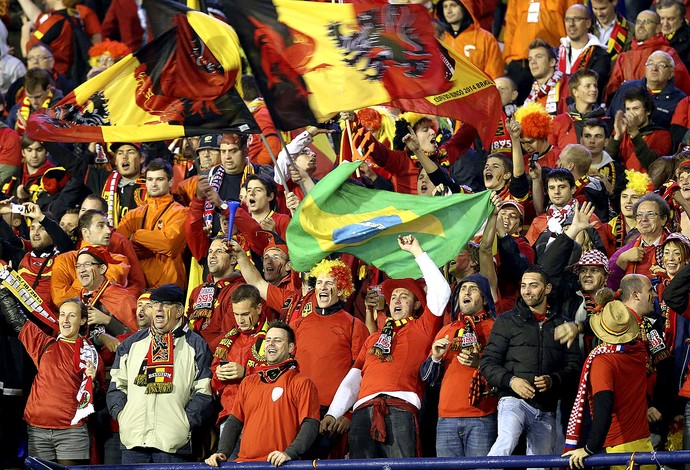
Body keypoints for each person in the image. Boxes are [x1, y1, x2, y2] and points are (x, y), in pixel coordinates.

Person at [322, 235, 451, 459]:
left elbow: (442, 292)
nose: (397, 301)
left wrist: (417, 252)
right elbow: (354, 378)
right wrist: (334, 413)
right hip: (362, 412)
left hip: (400, 408)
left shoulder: (423, 327)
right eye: (393, 297)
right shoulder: (373, 339)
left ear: (417, 304)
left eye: (404, 296)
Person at [480, 265, 581, 464]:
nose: (527, 291)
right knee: (505, 443)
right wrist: (511, 381)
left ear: (548, 289)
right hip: (512, 400)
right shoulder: (506, 321)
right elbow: (488, 362)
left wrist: (553, 380)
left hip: (547, 407)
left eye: (533, 286)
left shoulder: (563, 324)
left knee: (541, 464)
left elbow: (574, 367)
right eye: (524, 286)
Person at [107, 284, 214, 463]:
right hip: (133, 442)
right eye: (155, 304)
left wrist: (184, 422)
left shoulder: (196, 345)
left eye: (165, 304)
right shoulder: (130, 344)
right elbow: (117, 385)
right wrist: (122, 416)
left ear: (179, 311)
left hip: (172, 445)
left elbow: (204, 393)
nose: (158, 309)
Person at [0, 295, 104, 465]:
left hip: (72, 433)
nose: (66, 320)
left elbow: (99, 403)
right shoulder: (44, 344)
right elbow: (17, 320)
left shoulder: (91, 355)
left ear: (83, 320)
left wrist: (95, 386)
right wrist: (3, 289)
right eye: (62, 314)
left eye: (72, 315)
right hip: (37, 430)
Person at [205, 321, 320, 466]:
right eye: (268, 340)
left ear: (291, 348)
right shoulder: (248, 382)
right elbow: (234, 422)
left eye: (278, 341)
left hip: (279, 465)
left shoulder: (302, 383)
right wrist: (222, 452)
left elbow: (310, 424)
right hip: (244, 464)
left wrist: (290, 453)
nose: (271, 344)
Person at [562, 300, 653, 470]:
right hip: (644, 445)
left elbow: (604, 405)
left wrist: (590, 448)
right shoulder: (639, 353)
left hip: (618, 450)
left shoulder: (602, 362)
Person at [419, 273, 497, 458]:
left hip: (482, 416)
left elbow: (505, 369)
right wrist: (436, 358)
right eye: (463, 288)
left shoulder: (496, 328)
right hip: (446, 418)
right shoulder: (446, 330)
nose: (466, 292)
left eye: (473, 289)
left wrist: (481, 363)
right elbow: (427, 377)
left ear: (485, 299)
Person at [211, 285, 270, 449]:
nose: (240, 320)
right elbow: (215, 383)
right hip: (229, 414)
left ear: (258, 308)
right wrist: (218, 375)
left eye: (245, 314)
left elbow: (278, 375)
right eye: (236, 314)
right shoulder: (229, 340)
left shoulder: (273, 336)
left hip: (258, 416)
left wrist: (245, 372)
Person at [116, 158, 189, 288]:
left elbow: (169, 244)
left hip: (168, 286)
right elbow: (119, 247)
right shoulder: (133, 215)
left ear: (170, 181)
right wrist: (154, 243)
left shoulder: (181, 212)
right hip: (136, 285)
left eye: (159, 179)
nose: (153, 184)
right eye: (150, 179)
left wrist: (136, 236)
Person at [605, 10, 690, 100]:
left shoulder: (667, 53)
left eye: (646, 22)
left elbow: (680, 84)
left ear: (658, 28)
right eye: (638, 22)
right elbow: (613, 91)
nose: (640, 26)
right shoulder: (624, 57)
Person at [186, 237, 245, 349]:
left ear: (233, 260)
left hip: (216, 358)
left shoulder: (240, 291)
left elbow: (230, 333)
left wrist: (201, 353)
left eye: (219, 251)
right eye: (210, 251)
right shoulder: (198, 290)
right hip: (193, 352)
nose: (212, 255)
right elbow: (190, 321)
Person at [607, 50, 686, 130]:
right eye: (651, 63)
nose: (654, 68)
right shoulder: (626, 87)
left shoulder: (679, 100)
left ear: (671, 73)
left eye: (661, 65)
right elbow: (609, 118)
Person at [606, 88, 672, 173]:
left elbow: (654, 165)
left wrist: (634, 133)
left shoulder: (662, 135)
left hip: (647, 184)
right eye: (628, 109)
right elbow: (607, 163)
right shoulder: (621, 131)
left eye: (636, 108)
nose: (631, 114)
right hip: (620, 182)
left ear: (648, 111)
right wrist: (617, 137)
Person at [434, 0, 503, 80]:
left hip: (476, 90)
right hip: (446, 91)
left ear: (465, 7)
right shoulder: (437, 38)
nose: (448, 11)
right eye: (445, 7)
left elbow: (494, 74)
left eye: (453, 5)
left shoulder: (486, 38)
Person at [557, 5, 611, 100]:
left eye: (576, 19)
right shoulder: (556, 53)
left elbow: (595, 86)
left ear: (588, 23)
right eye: (568, 19)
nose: (571, 24)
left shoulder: (601, 56)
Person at [549, 70, 607, 150]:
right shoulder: (558, 122)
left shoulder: (605, 121)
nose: (594, 89)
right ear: (575, 92)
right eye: (588, 86)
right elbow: (551, 155)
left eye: (595, 86)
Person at [524, 39, 567, 116]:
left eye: (539, 57)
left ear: (552, 62)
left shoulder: (566, 85)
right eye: (530, 59)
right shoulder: (533, 93)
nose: (533, 62)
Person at [656, 0, 690, 71]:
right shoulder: (651, 35)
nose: (665, 24)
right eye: (661, 18)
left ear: (681, 19)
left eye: (670, 19)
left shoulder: (688, 40)